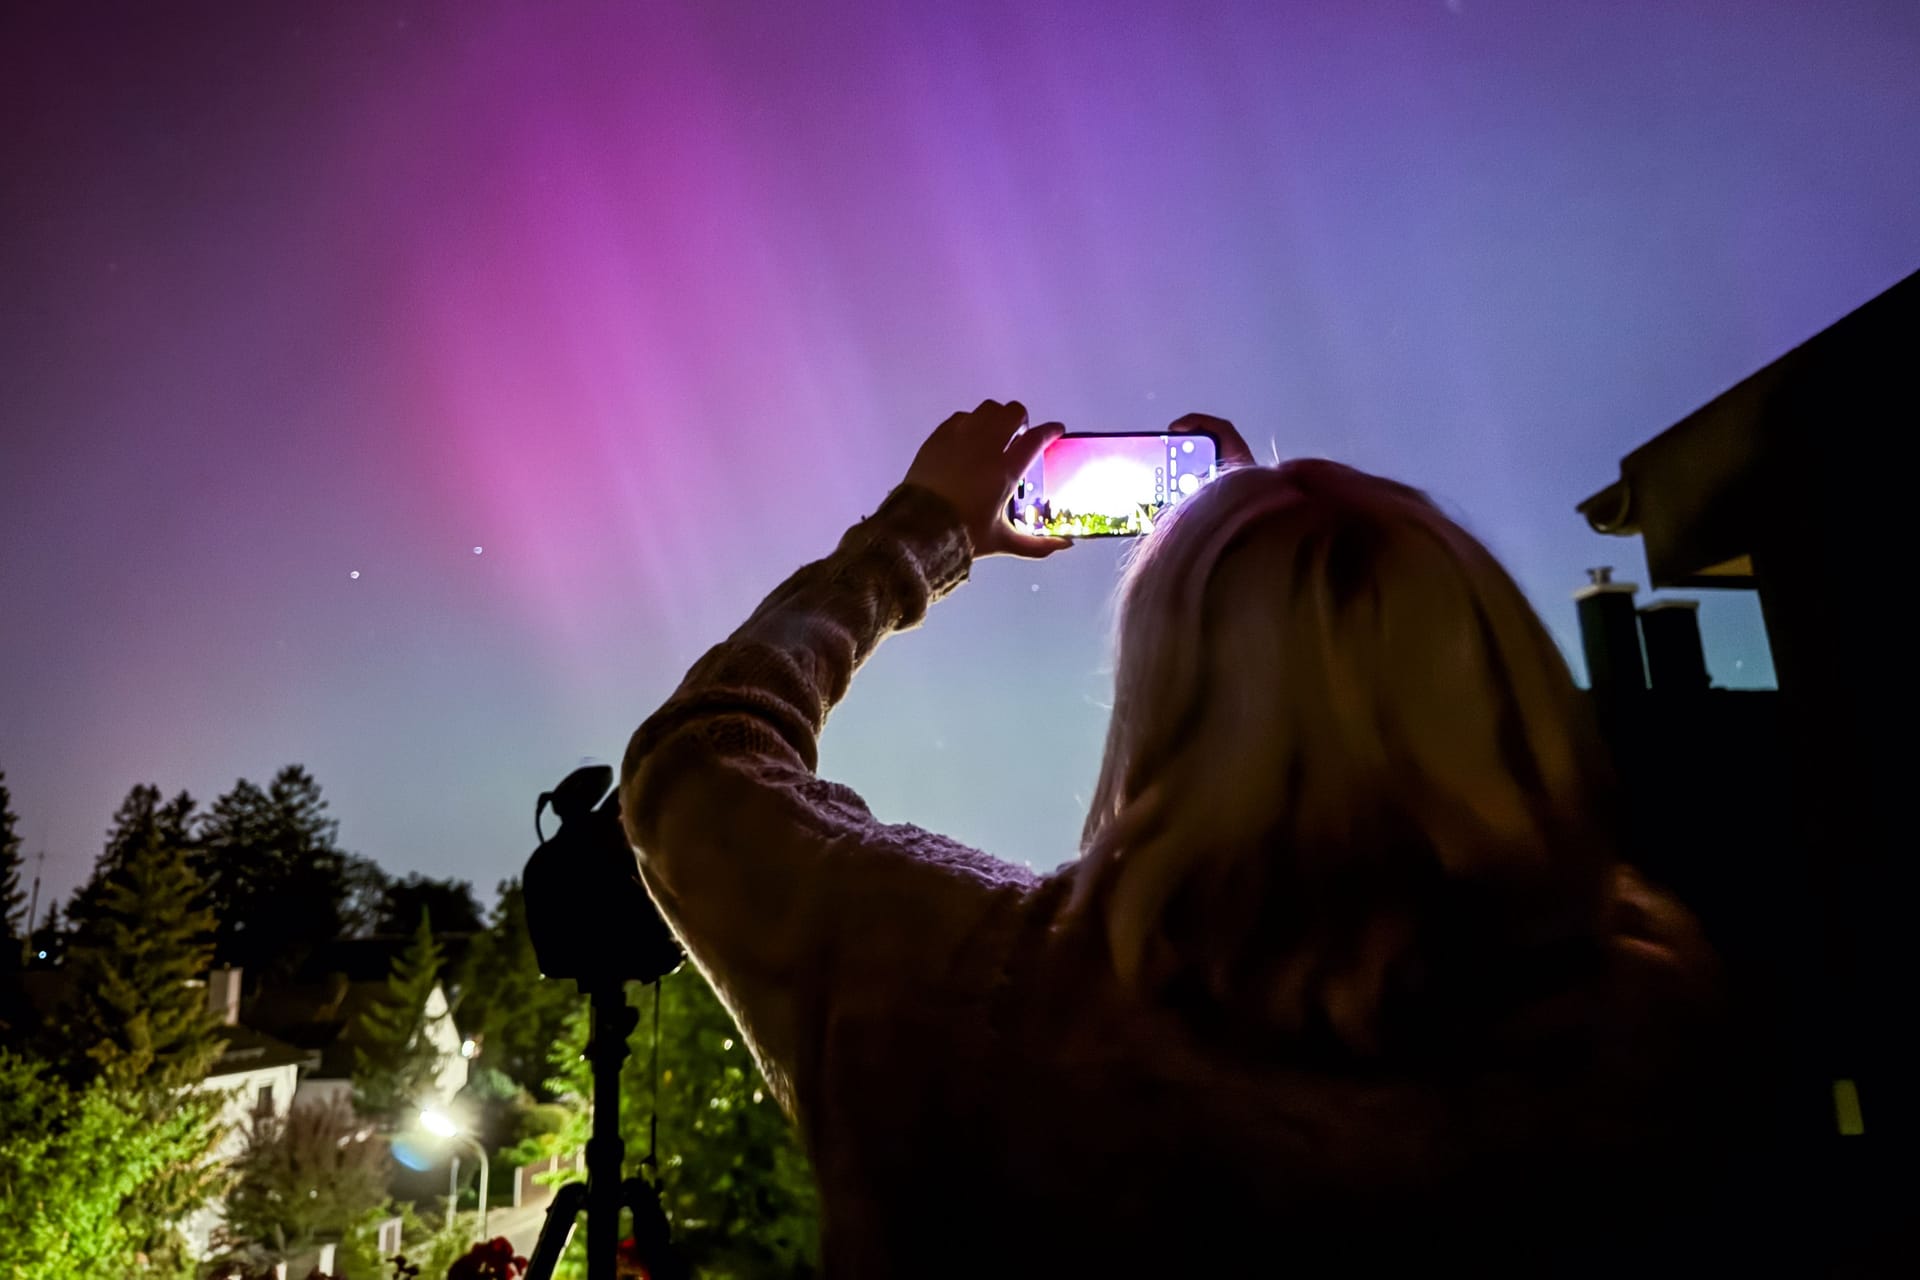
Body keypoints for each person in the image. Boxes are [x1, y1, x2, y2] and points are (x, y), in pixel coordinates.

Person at [620, 401, 1734, 1276]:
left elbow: (700, 761)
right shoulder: (1654, 1031)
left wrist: (926, 531)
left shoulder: (969, 994)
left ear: (1165, 706)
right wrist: (1255, 532)